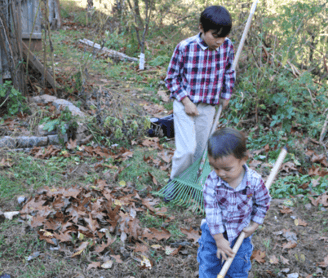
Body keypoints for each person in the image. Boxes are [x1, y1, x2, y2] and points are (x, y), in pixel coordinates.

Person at [165, 6, 235, 186]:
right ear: (201, 28)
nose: (220, 40)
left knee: (201, 151)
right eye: (215, 35)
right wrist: (186, 101)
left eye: (224, 36)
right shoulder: (185, 47)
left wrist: (226, 94)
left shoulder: (227, 47)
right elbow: (171, 78)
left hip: (208, 107)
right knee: (187, 150)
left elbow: (229, 72)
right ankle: (175, 182)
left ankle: (193, 184)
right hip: (185, 105)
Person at [198, 127, 271, 278]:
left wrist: (254, 225)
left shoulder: (254, 182)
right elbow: (212, 211)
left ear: (243, 159)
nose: (220, 173)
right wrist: (219, 239)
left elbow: (263, 204)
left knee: (237, 270)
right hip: (213, 234)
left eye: (226, 168)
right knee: (209, 267)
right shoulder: (212, 181)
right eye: (215, 167)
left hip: (240, 234)